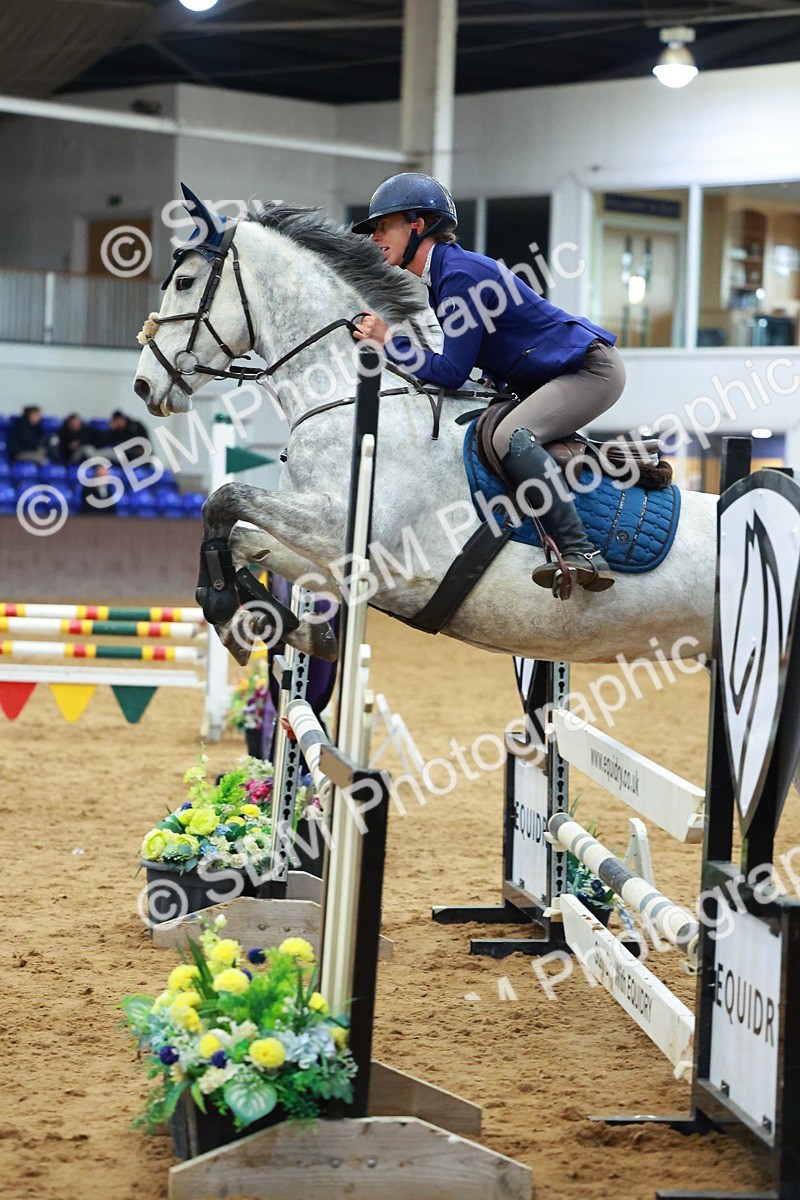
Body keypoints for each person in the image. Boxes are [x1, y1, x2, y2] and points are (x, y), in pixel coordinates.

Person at [352, 173, 626, 594]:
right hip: (562, 373)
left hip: (591, 371)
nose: (374, 237)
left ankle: (581, 550)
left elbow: (449, 372)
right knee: (497, 437)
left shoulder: (458, 275)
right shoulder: (446, 277)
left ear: (417, 225)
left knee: (512, 437)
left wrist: (389, 341)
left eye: (382, 226)